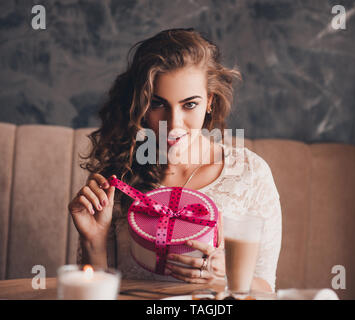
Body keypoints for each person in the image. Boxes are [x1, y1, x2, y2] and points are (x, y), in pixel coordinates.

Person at [68, 28, 282, 293]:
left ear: (210, 102)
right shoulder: (116, 177)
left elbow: (267, 291)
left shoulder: (250, 174)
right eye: (157, 104)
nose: (173, 124)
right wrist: (94, 241)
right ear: (140, 105)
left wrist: (224, 280)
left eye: (189, 104)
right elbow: (95, 295)